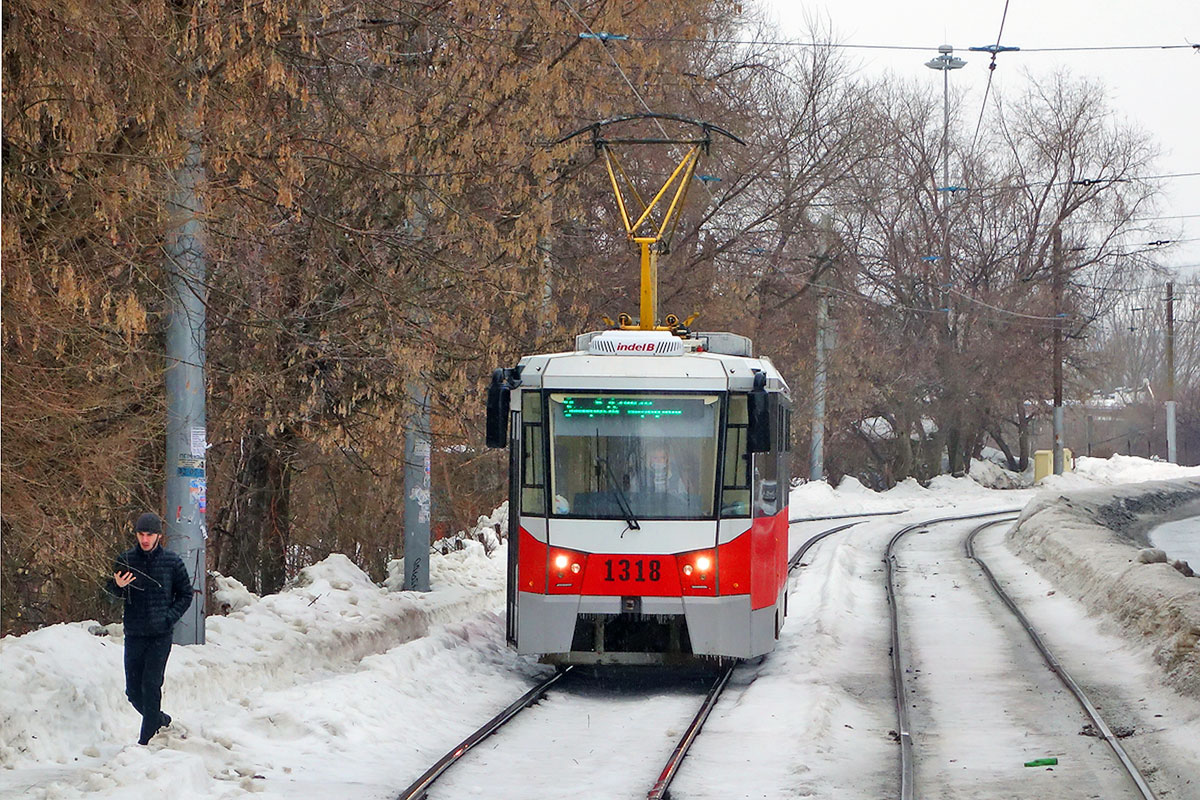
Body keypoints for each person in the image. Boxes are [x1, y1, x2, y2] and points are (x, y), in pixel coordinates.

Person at [105, 512, 192, 746]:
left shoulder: (172, 562)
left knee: (151, 686)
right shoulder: (126, 559)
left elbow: (185, 594)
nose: (145, 539)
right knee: (133, 692)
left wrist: (169, 617)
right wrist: (116, 586)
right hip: (134, 634)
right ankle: (159, 720)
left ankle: (146, 741)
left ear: (158, 536)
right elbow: (110, 596)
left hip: (160, 635)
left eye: (149, 535)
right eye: (141, 534)